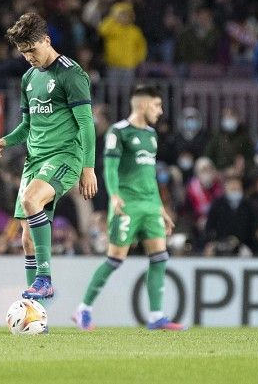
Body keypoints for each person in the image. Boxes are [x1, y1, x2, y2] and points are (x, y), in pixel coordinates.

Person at [0, 12, 97, 301]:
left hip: (64, 156)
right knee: (26, 241)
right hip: (35, 161)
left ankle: (45, 280)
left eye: (32, 50)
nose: (29, 57)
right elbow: (27, 126)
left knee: (30, 200)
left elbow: (86, 123)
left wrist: (89, 168)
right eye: (23, 53)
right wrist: (5, 140)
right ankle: (36, 312)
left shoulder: (71, 74)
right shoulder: (28, 78)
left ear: (46, 40)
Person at [72, 85, 185, 331]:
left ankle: (156, 316)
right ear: (143, 105)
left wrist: (160, 208)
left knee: (159, 257)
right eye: (157, 105)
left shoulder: (152, 135)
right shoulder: (118, 132)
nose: (161, 110)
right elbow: (109, 169)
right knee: (115, 259)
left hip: (149, 205)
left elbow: (150, 175)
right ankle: (83, 310)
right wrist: (114, 196)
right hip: (127, 204)